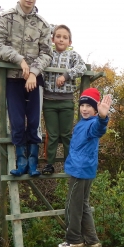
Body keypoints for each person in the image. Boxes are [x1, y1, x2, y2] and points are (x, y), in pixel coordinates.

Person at [0, 0, 52, 176]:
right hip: (12, 78)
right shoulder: (6, 18)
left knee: (33, 122)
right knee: (16, 122)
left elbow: (47, 53)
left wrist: (33, 71)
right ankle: (21, 162)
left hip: (35, 80)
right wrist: (19, 60)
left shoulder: (43, 24)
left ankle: (33, 163)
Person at [58, 88, 111, 247]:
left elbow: (99, 129)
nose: (85, 109)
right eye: (82, 105)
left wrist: (103, 117)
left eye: (89, 106)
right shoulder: (82, 123)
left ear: (96, 109)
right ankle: (92, 239)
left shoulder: (92, 124)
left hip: (80, 171)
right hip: (85, 169)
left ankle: (74, 239)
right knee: (83, 205)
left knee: (72, 205)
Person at [42, 24, 87, 175]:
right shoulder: (48, 54)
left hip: (66, 102)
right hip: (49, 101)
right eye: (58, 36)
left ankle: (70, 163)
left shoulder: (73, 56)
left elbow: (82, 68)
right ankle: (49, 164)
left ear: (70, 42)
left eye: (65, 37)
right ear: (53, 39)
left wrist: (66, 75)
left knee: (67, 134)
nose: (61, 39)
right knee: (52, 134)